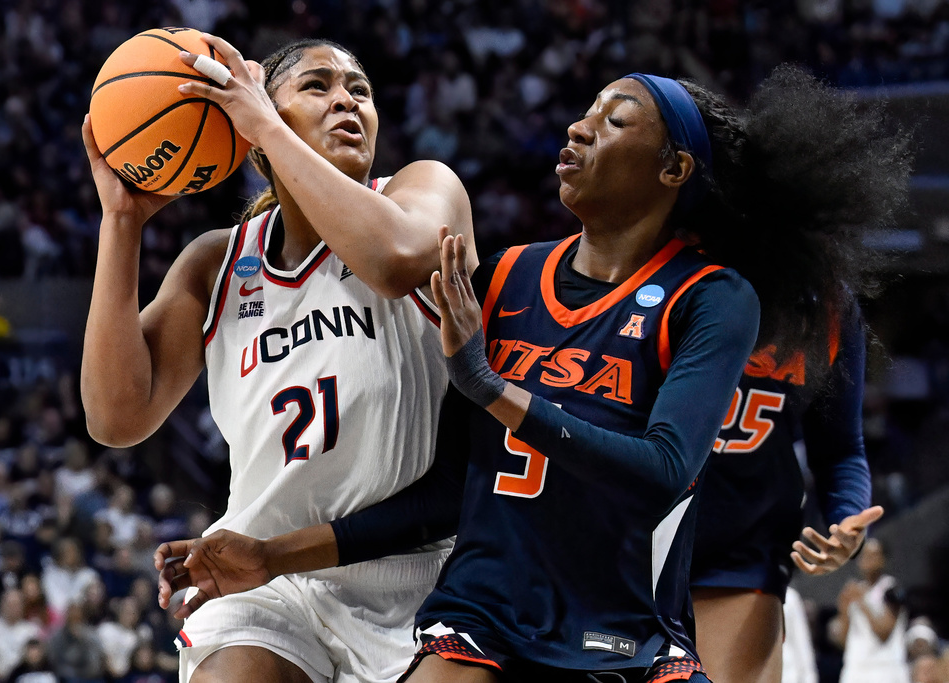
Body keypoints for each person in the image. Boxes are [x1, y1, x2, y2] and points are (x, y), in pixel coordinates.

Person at [158, 70, 773, 682]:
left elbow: (664, 471)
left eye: (613, 121)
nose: (579, 129)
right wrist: (270, 556)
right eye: (586, 112)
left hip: (624, 626)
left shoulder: (711, 295)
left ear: (674, 170)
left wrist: (493, 390)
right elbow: (446, 492)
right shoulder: (506, 280)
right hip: (482, 620)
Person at [81, 30, 474, 683]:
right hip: (264, 577)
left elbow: (394, 262)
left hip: (421, 569)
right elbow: (115, 415)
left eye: (360, 91)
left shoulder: (421, 190)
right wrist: (120, 223)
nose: (347, 102)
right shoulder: (219, 261)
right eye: (317, 86)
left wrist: (263, 120)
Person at [688, 67, 911, 683]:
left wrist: (845, 520)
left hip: (745, 551)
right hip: (628, 538)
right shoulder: (670, 278)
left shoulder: (829, 307)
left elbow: (841, 449)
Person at [829, 538, 910, 683]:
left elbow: (884, 632)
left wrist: (861, 601)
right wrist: (843, 608)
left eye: (874, 555)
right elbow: (842, 641)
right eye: (865, 555)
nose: (868, 560)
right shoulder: (853, 589)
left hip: (885, 669)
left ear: (883, 559)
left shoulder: (891, 589)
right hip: (856, 669)